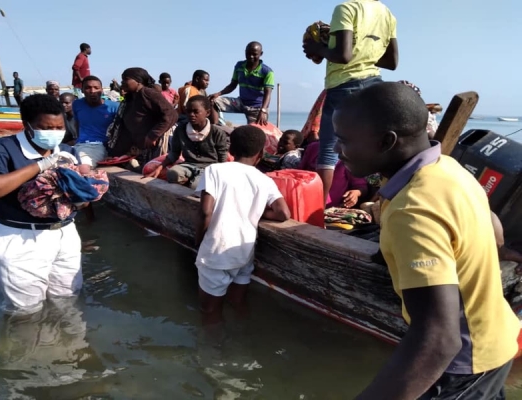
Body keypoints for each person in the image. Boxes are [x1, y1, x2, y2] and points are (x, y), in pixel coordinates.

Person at [333, 82, 518, 399]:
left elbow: (439, 340)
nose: (338, 150)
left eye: (344, 140)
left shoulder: (413, 209)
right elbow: (495, 231)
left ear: (385, 142)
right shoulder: (447, 167)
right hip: (499, 339)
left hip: (463, 364)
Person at [0, 94, 83, 316]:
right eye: (46, 128)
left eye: (59, 127)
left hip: (65, 235)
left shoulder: (68, 152)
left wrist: (87, 189)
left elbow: (80, 199)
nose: (54, 133)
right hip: (20, 238)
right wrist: (41, 165)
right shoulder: (3, 148)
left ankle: (69, 349)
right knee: (25, 312)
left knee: (68, 301)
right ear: (27, 126)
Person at [302, 0, 398, 207]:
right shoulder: (387, 13)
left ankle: (317, 215)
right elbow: (392, 62)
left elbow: (343, 56)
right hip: (374, 84)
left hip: (344, 86)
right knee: (373, 147)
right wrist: (364, 54)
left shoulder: (346, 8)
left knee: (328, 150)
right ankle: (384, 207)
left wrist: (317, 47)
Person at [195, 125, 290, 326]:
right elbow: (284, 213)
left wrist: (198, 241)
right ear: (261, 153)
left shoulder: (215, 170)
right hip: (245, 251)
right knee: (237, 303)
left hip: (216, 251)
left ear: (231, 150)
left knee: (210, 311)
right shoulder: (264, 180)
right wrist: (257, 211)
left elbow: (205, 212)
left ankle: (212, 354)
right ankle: (244, 342)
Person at [144, 96, 228, 189]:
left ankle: (194, 181)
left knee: (196, 186)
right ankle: (190, 179)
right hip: (188, 165)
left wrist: (218, 175)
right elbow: (174, 153)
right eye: (188, 111)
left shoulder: (216, 132)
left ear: (207, 113)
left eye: (196, 112)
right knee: (172, 174)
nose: (191, 114)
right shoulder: (181, 129)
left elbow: (222, 158)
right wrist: (160, 167)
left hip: (209, 167)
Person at [107, 68, 177, 171]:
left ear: (138, 81)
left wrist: (153, 135)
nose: (122, 82)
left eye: (126, 79)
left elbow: (171, 114)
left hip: (156, 145)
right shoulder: (130, 98)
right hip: (140, 146)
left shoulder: (147, 93)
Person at [209, 42, 274, 125]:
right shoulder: (239, 66)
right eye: (248, 53)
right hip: (241, 102)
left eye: (254, 54)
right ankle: (216, 127)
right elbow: (233, 85)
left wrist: (263, 110)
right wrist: (218, 93)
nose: (251, 56)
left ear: (261, 54)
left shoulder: (267, 72)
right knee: (213, 101)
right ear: (245, 52)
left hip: (256, 108)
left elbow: (268, 93)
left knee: (254, 133)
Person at [73, 76, 119, 167]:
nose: (92, 91)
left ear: (101, 90)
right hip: (80, 145)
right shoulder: (77, 104)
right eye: (88, 88)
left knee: (82, 167)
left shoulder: (115, 107)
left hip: (99, 146)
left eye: (96, 88)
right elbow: (77, 124)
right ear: (82, 90)